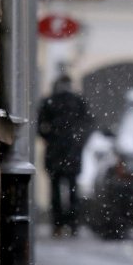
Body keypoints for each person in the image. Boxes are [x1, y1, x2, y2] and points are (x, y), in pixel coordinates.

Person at [37, 75, 93, 236]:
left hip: (55, 152)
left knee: (55, 190)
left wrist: (50, 138)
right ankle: (73, 224)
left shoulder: (49, 101)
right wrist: (79, 141)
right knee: (73, 189)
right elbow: (88, 124)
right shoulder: (77, 101)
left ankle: (58, 225)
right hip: (73, 153)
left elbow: (40, 127)